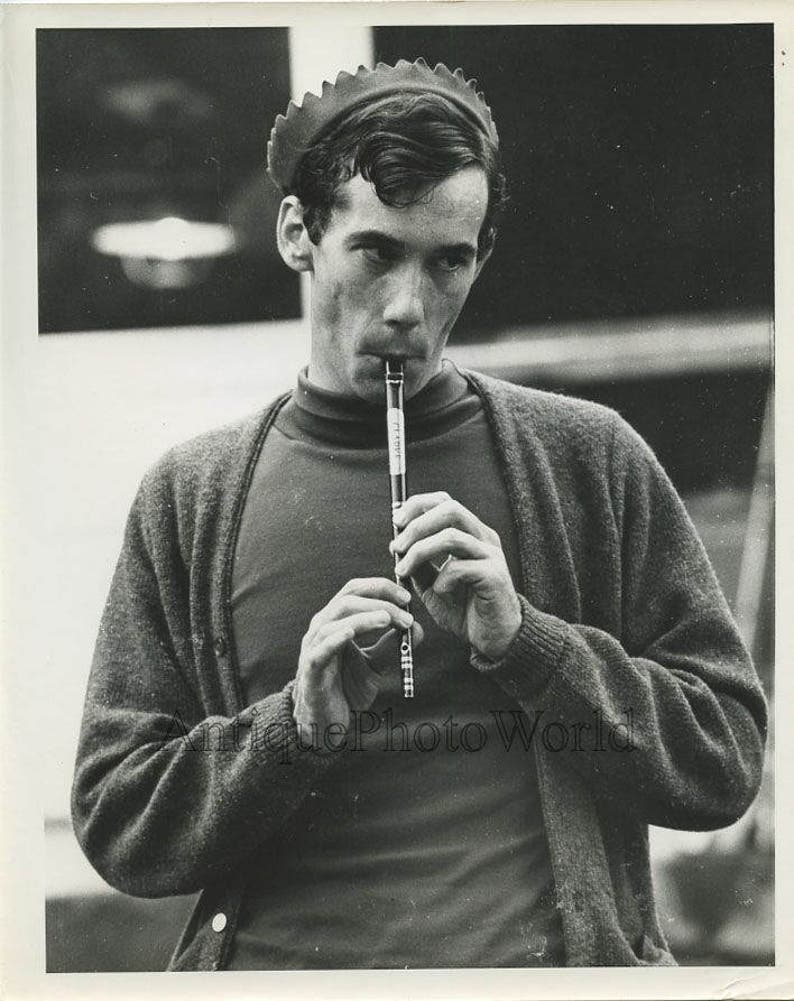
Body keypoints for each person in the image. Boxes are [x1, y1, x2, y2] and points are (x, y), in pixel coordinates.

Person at [71, 58, 767, 970]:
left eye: (449, 261)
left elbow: (722, 761)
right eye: (376, 252)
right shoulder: (189, 494)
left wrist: (533, 646)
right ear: (297, 233)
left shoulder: (588, 457)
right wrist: (293, 729)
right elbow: (120, 821)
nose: (409, 306)